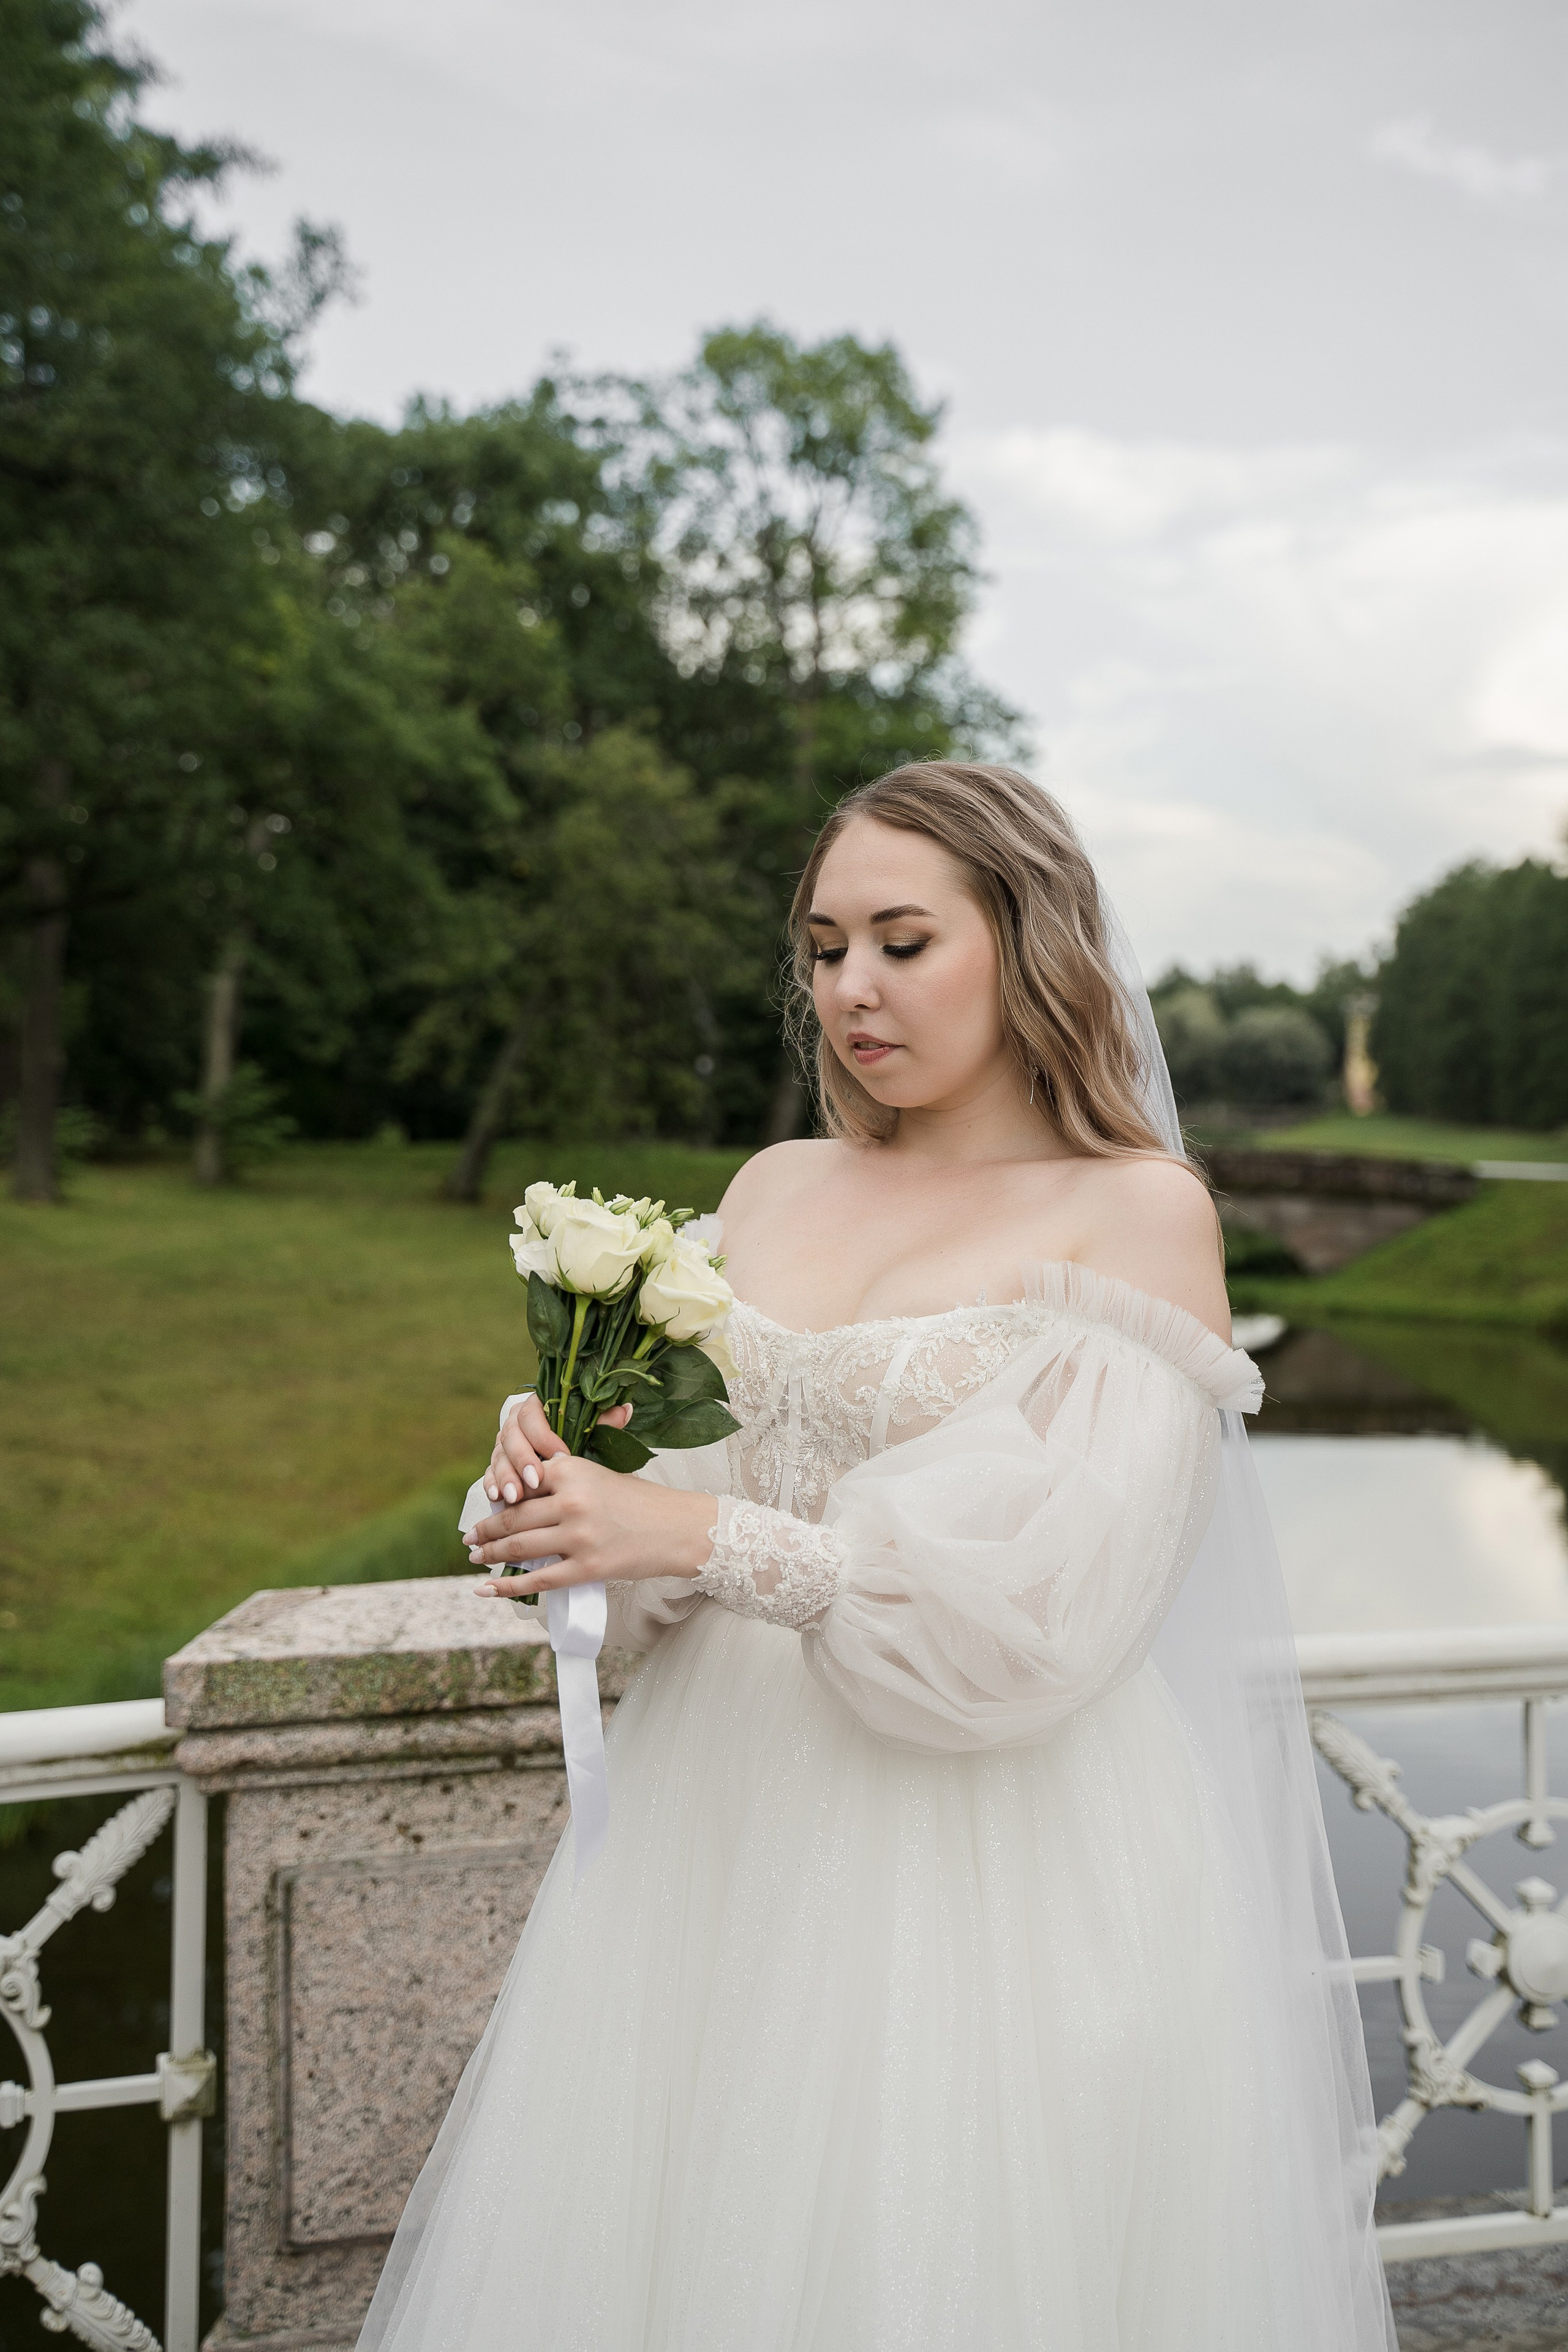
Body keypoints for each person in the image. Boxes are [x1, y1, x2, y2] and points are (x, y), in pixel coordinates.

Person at [359, 762, 1395, 2352]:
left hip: (995, 1852)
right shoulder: (773, 1184)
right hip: (718, 1831)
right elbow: (657, 1571)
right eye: (825, 947)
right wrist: (572, 1489)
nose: (852, 989)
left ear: (1031, 942)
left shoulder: (1137, 1214)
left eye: (904, 942)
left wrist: (699, 1528)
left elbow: (1048, 1619)